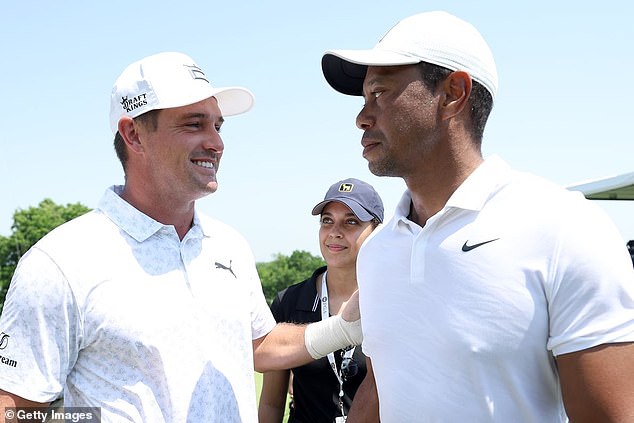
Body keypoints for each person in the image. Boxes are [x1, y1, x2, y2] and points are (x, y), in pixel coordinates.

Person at [0, 52, 362, 423]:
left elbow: (260, 346)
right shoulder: (61, 263)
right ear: (133, 134)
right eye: (194, 125)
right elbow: (14, 407)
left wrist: (343, 327)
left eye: (218, 126)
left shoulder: (229, 245)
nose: (216, 143)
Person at [320, 11, 634, 423]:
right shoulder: (378, 250)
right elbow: (383, 387)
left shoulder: (565, 227)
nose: (362, 116)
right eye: (364, 98)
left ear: (453, 93)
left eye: (380, 93)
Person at [258, 178, 384, 423]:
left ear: (376, 231)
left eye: (351, 222)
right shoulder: (289, 301)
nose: (335, 232)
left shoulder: (392, 299)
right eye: (327, 220)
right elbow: (271, 403)